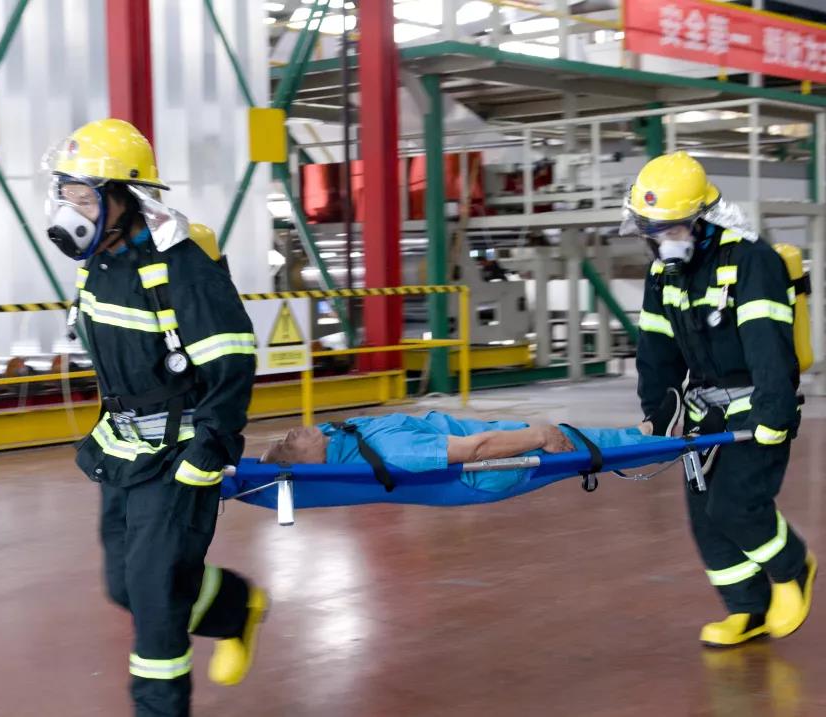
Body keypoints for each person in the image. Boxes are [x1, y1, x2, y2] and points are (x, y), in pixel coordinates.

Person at [43, 118, 267, 716]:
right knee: (126, 585)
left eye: (85, 198)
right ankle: (234, 607)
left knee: (154, 602)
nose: (72, 211)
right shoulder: (98, 264)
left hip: (178, 454)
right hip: (122, 450)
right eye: (67, 196)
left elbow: (232, 360)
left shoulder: (181, 267)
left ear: (124, 197)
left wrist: (210, 449)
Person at [627, 151, 816, 647]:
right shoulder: (663, 274)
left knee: (735, 505)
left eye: (670, 228)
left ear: (702, 219)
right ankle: (748, 610)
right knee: (704, 518)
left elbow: (768, 346)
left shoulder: (751, 260)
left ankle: (793, 568)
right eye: (652, 230)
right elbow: (656, 350)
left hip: (756, 405)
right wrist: (656, 416)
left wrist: (774, 415)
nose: (661, 240)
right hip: (703, 410)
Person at [260, 411, 668, 493]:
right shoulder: (394, 450)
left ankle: (643, 433)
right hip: (491, 465)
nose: (289, 434)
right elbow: (476, 449)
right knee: (566, 440)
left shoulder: (339, 436)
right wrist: (539, 434)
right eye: (287, 445)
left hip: (482, 438)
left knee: (575, 434)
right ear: (309, 462)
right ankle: (671, 445)